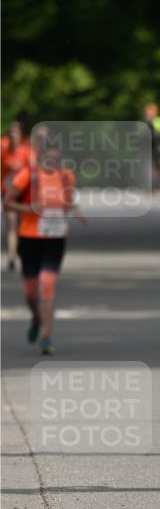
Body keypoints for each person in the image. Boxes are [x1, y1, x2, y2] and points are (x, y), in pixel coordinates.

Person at [3, 138, 86, 355]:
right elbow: (7, 202)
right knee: (31, 292)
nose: (53, 163)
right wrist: (30, 209)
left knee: (47, 284)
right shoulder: (28, 176)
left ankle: (46, 337)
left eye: (57, 159)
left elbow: (67, 200)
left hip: (55, 238)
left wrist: (75, 211)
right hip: (30, 238)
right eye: (49, 159)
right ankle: (37, 317)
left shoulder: (66, 176)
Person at [1, 116, 33, 270]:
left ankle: (21, 249)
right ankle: (11, 257)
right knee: (11, 224)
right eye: (11, 132)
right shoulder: (2, 147)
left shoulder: (26, 150)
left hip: (23, 192)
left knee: (21, 225)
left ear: (21, 134)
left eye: (16, 132)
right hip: (7, 193)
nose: (12, 135)